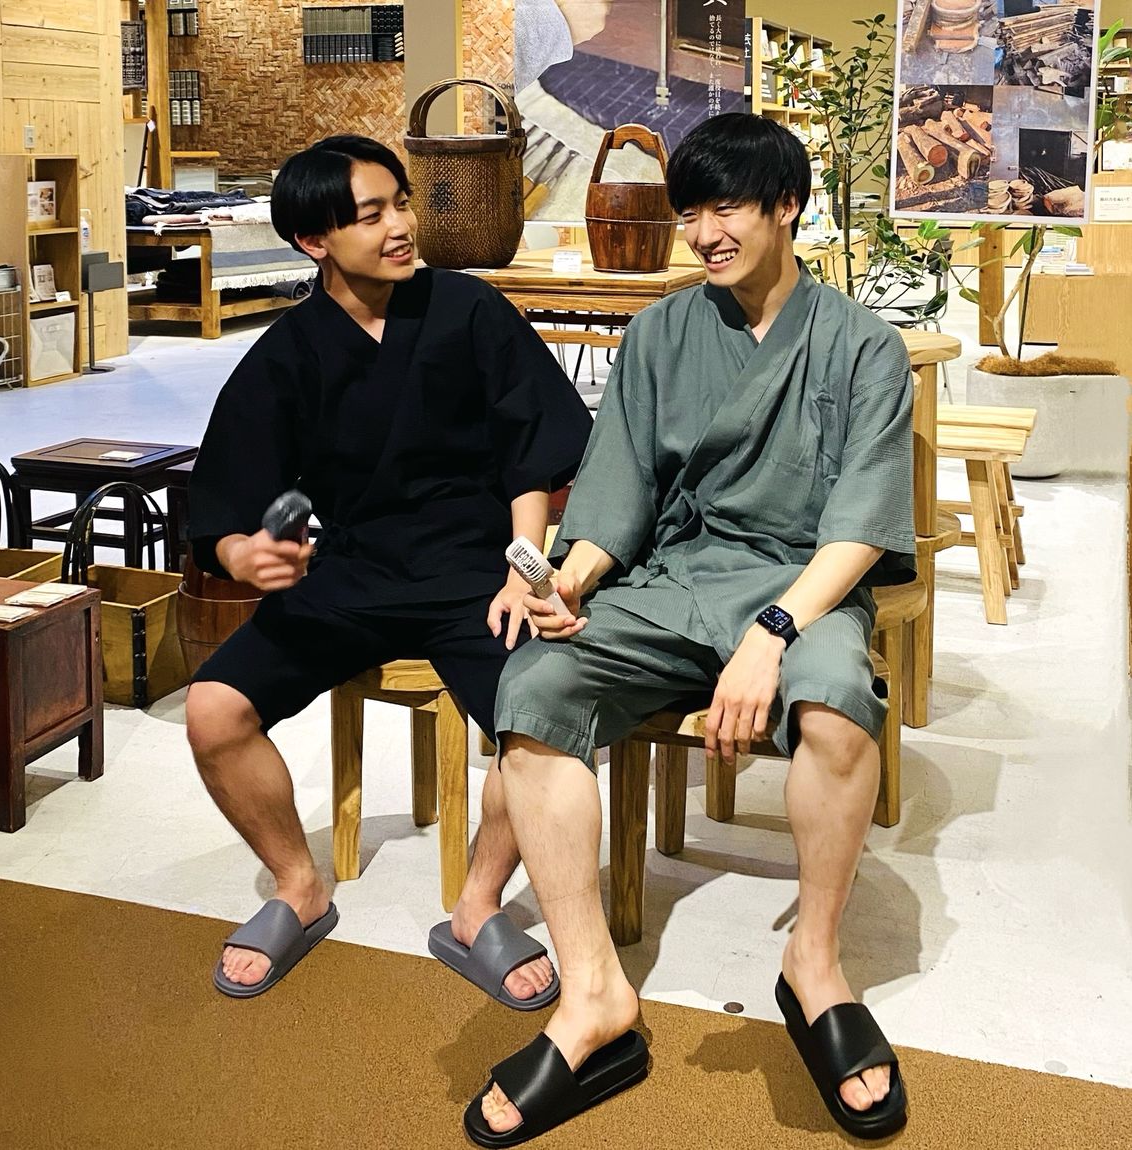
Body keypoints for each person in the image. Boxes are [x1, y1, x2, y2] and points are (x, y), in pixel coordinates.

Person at [465, 112, 916, 1145]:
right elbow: (617, 491)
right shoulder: (662, 333)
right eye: (690, 214)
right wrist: (569, 577)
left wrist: (773, 630)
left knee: (837, 705)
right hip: (676, 575)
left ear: (786, 206)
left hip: (804, 586)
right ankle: (593, 992)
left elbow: (859, 525)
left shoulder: (862, 346)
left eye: (727, 208)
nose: (705, 233)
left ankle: (814, 962)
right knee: (533, 687)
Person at [184, 135, 592, 1003]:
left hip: (480, 574)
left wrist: (525, 571)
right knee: (214, 711)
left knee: (540, 722)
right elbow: (228, 496)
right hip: (353, 572)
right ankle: (298, 884)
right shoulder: (289, 352)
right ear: (314, 241)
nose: (401, 226)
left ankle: (477, 908)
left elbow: (533, 451)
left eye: (401, 203)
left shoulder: (469, 310)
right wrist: (241, 553)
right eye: (371, 215)